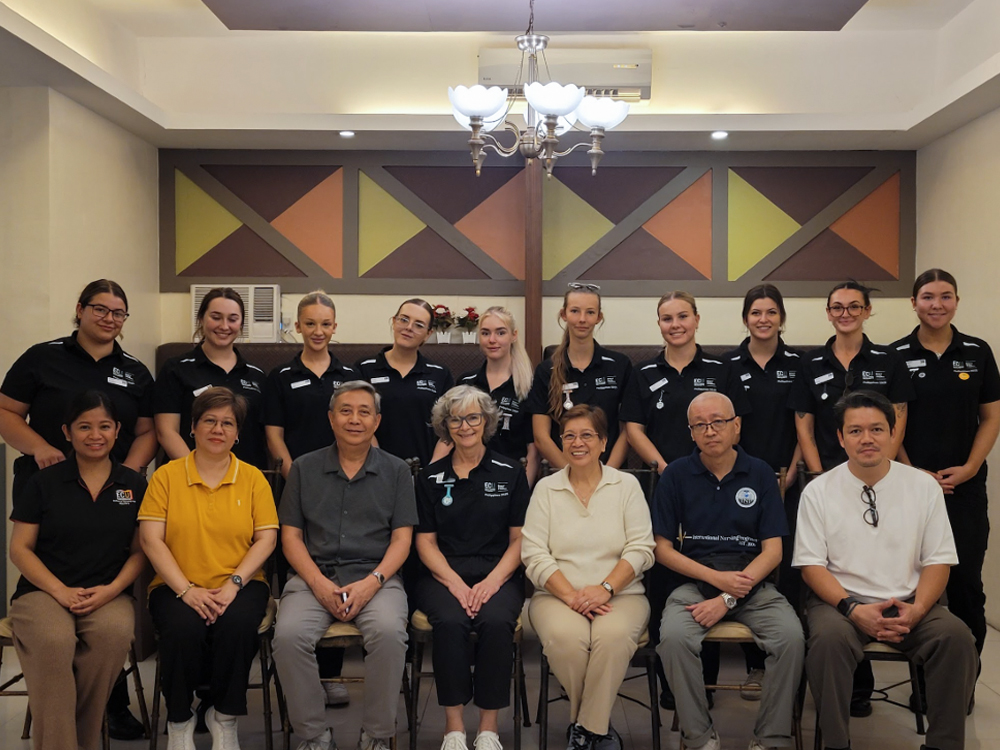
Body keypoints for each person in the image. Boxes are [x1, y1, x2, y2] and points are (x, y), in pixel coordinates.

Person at [0, 278, 155, 739]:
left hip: (112, 495)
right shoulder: (41, 357)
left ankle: (109, 711)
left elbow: (145, 432)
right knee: (55, 637)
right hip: (51, 487)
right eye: (100, 309)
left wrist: (120, 473)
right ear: (80, 310)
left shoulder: (135, 372)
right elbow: (6, 412)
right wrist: (43, 450)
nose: (109, 318)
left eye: (118, 312)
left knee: (106, 632)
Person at [793, 390, 977, 750]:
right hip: (841, 605)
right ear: (840, 438)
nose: (867, 439)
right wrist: (852, 609)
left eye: (877, 429)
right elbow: (811, 566)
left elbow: (939, 560)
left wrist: (919, 609)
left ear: (894, 434)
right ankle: (835, 743)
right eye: (856, 431)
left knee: (957, 638)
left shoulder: (923, 486)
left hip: (911, 602)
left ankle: (943, 745)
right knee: (828, 643)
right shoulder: (818, 491)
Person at [789, 280, 916, 716]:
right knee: (832, 570)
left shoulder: (888, 360)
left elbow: (896, 422)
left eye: (854, 306)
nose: (846, 313)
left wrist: (893, 475)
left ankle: (861, 685)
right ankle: (848, 684)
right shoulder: (811, 363)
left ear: (867, 311)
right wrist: (823, 477)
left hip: (878, 477)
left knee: (871, 566)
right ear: (828, 312)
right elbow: (803, 426)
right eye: (838, 307)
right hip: (827, 482)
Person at [653, 392, 804, 750]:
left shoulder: (761, 473)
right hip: (695, 585)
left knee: (791, 639)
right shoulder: (675, 474)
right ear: (691, 433)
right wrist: (715, 582)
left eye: (718, 422)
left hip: (753, 586)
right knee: (673, 638)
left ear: (736, 426)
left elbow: (773, 552)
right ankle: (700, 737)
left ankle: (770, 738)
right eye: (700, 425)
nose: (710, 431)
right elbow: (661, 549)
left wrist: (726, 596)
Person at [620, 290, 749, 709]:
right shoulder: (643, 372)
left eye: (682, 317)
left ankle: (705, 683)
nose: (674, 325)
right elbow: (634, 427)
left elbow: (733, 425)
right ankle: (672, 685)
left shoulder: (720, 368)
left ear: (696, 319)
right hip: (664, 484)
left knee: (708, 570)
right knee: (665, 577)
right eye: (666, 318)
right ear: (658, 324)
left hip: (715, 485)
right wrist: (664, 466)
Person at [273, 381, 417, 750]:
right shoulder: (304, 468)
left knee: (388, 634)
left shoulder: (397, 471)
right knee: (288, 637)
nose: (355, 419)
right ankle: (313, 735)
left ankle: (377, 734)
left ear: (377, 421)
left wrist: (372, 582)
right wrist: (319, 584)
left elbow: (402, 540)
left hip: (377, 578)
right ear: (331, 418)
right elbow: (290, 538)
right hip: (313, 577)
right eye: (346, 411)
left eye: (364, 412)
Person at [139, 387, 278, 750]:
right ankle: (180, 721)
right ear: (193, 427)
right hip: (175, 583)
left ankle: (223, 717)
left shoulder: (252, 478)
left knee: (237, 624)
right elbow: (151, 540)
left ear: (237, 433)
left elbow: (266, 539)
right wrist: (186, 590)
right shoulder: (166, 477)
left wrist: (233, 584)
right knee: (182, 627)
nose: (218, 429)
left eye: (227, 423)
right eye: (209, 421)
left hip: (241, 582)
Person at [9, 391, 147, 750]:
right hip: (42, 593)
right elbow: (19, 549)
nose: (95, 435)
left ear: (118, 430)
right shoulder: (43, 481)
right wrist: (59, 591)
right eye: (84, 426)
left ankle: (79, 740)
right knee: (55, 640)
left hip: (108, 593)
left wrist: (112, 589)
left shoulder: (134, 485)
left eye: (104, 426)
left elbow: (139, 553)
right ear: (67, 432)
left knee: (114, 634)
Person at [521, 404, 655, 750]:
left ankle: (584, 731)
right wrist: (570, 596)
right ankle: (598, 729)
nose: (577, 443)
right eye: (569, 436)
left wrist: (606, 588)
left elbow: (641, 548)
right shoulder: (546, 490)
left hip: (622, 595)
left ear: (604, 442)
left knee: (610, 640)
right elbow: (533, 553)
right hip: (556, 596)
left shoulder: (626, 486)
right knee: (567, 641)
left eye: (586, 435)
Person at [891, 269, 1000, 666]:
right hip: (907, 486)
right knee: (913, 584)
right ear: (914, 302)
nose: (937, 305)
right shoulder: (895, 355)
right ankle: (922, 677)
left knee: (966, 583)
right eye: (928, 297)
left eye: (946, 296)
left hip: (964, 488)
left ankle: (965, 678)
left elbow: (991, 418)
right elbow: (890, 423)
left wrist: (971, 467)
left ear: (956, 301)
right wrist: (911, 471)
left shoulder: (977, 351)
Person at [415, 385, 530, 750]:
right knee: (450, 622)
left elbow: (520, 540)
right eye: (456, 419)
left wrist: (493, 582)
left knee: (496, 622)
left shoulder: (511, 472)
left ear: (487, 421)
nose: (465, 426)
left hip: (499, 573)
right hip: (441, 574)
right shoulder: (429, 477)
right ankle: (453, 729)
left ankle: (488, 730)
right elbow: (425, 543)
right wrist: (456, 585)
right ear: (445, 425)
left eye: (473, 417)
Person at [263, 291, 357, 706]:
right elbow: (273, 435)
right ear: (297, 326)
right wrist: (297, 476)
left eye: (325, 324)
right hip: (297, 485)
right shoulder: (280, 377)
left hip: (348, 487)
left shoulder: (350, 377)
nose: (318, 331)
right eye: (310, 323)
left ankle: (332, 674)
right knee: (301, 571)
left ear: (335, 327)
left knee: (338, 564)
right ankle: (300, 674)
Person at [722, 285, 803, 698]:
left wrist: (789, 471)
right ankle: (747, 665)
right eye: (756, 312)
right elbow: (724, 427)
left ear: (781, 317)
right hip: (739, 480)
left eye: (772, 312)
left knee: (783, 568)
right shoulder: (728, 365)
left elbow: (802, 423)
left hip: (787, 477)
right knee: (742, 563)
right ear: (746, 318)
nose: (764, 319)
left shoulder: (799, 364)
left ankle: (779, 665)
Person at [154, 287, 269, 469]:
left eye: (232, 319)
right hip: (188, 478)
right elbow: (166, 432)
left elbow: (263, 437)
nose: (224, 326)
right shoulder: (176, 369)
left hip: (244, 482)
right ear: (201, 319)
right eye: (216, 317)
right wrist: (198, 472)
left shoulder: (258, 376)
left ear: (241, 325)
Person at [526, 284, 631, 470]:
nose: (582, 319)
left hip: (611, 474)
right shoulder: (546, 370)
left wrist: (606, 475)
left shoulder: (619, 365)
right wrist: (572, 475)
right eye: (575, 311)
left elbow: (627, 431)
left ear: (599, 317)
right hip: (562, 475)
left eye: (590, 312)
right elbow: (541, 437)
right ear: (564, 314)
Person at [355, 298, 454, 469]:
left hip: (424, 471)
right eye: (404, 319)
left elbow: (450, 427)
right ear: (394, 322)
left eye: (419, 325)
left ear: (428, 333)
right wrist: (379, 464)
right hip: (373, 469)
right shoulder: (364, 369)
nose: (409, 327)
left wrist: (432, 470)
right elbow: (358, 421)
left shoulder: (440, 373)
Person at [457, 305, 538, 481]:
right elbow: (451, 437)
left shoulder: (529, 386)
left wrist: (522, 492)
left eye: (500, 333)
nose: (492, 340)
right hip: (468, 478)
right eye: (485, 333)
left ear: (514, 335)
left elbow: (533, 450)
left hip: (510, 481)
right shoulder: (466, 382)